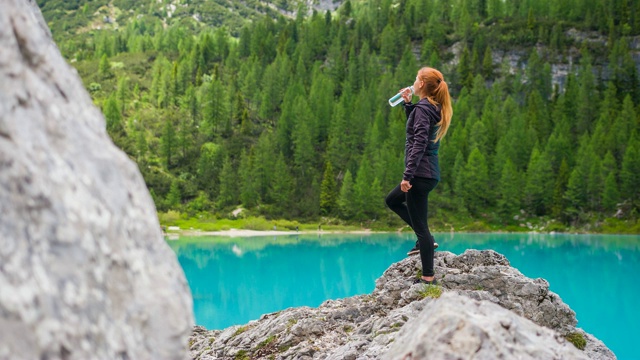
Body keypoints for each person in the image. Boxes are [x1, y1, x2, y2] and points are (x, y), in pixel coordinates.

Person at [385, 67, 452, 285]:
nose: (413, 81)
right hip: (427, 173)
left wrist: (407, 176)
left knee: (422, 228)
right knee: (392, 200)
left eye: (416, 78)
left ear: (422, 84)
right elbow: (416, 129)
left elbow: (419, 143)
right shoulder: (430, 107)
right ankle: (428, 242)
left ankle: (428, 277)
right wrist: (407, 104)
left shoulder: (424, 109)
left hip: (419, 175)